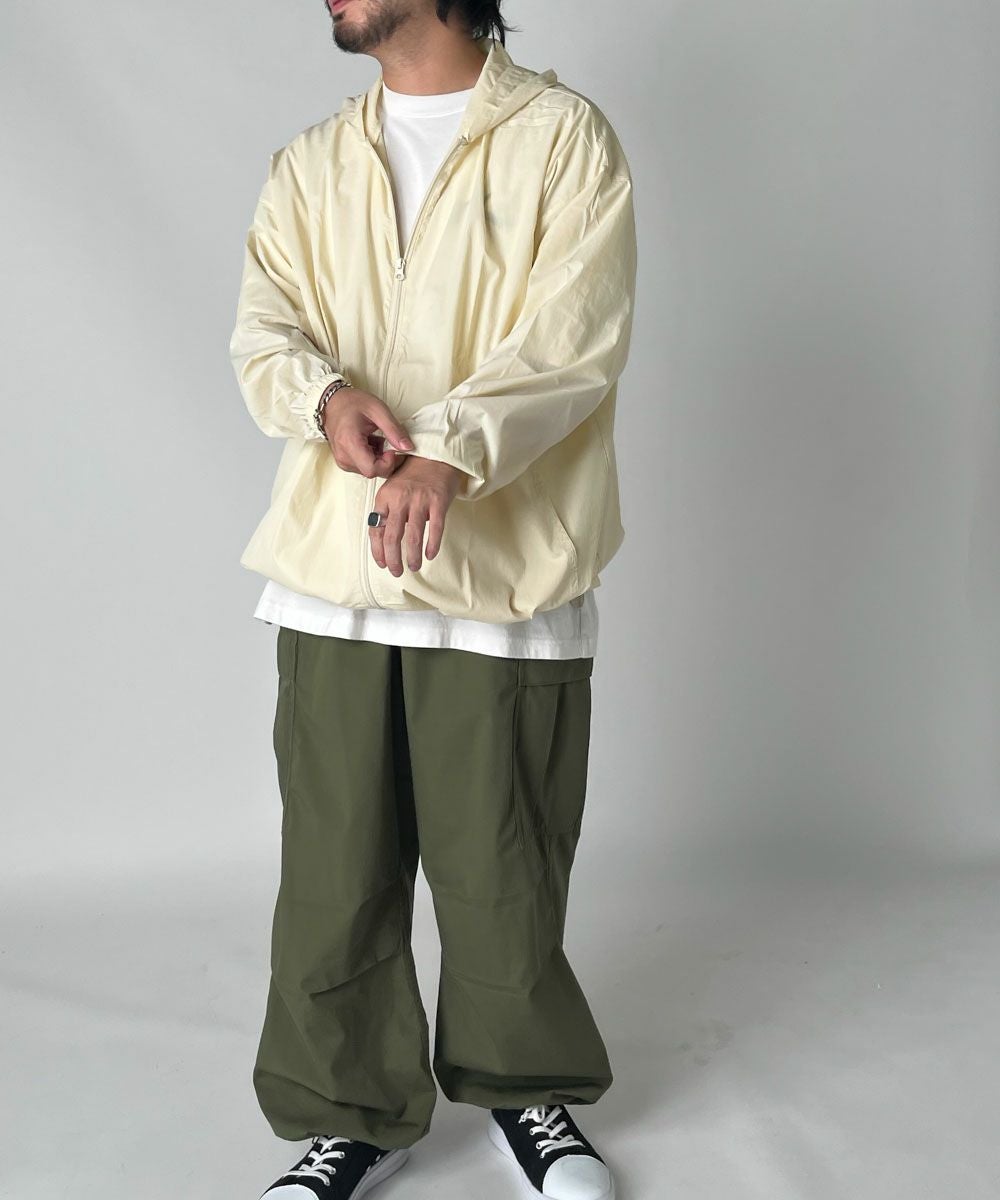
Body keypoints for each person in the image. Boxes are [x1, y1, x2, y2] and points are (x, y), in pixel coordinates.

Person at [228, 1, 638, 1196]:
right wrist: (323, 399)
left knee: (503, 862)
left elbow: (572, 342)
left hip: (505, 569)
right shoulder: (312, 161)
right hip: (334, 568)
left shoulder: (562, 138)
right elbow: (264, 329)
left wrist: (448, 451)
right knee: (333, 869)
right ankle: (346, 1111)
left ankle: (524, 1089)